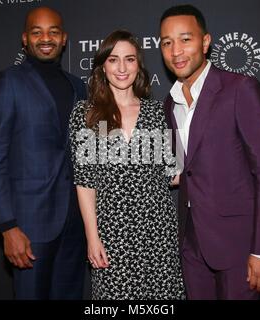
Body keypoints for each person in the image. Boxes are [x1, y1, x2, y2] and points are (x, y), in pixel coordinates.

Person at [159, 4, 260, 299]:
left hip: (238, 244)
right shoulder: (169, 102)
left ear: (205, 42)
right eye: (167, 42)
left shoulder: (240, 89)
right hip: (191, 244)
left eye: (185, 39)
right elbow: (183, 166)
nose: (176, 51)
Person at [0, 6, 86, 299]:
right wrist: (8, 226)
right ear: (24, 39)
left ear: (64, 38)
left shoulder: (78, 86)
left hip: (76, 223)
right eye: (36, 32)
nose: (45, 38)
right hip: (30, 225)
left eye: (53, 31)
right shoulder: (7, 82)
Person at [69, 30, 185, 300]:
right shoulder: (86, 114)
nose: (122, 68)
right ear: (102, 66)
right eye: (113, 59)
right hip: (112, 234)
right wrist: (92, 237)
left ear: (138, 65)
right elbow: (85, 183)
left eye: (130, 59)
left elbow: (174, 173)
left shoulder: (159, 111)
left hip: (158, 232)